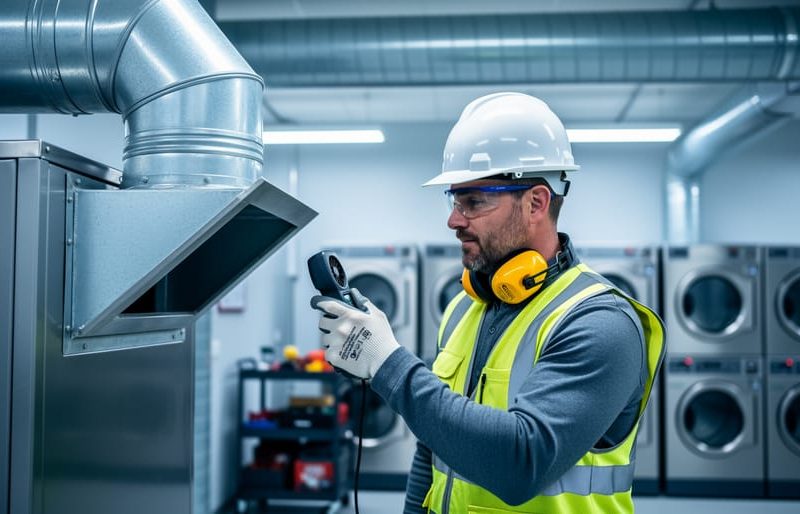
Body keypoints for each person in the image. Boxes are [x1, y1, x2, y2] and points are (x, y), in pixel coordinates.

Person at [312, 92, 665, 514]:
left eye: (474, 202)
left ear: (536, 202)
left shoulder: (599, 323)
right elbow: (435, 449)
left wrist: (388, 364)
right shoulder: (466, 308)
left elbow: (522, 462)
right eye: (453, 199)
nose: (454, 219)